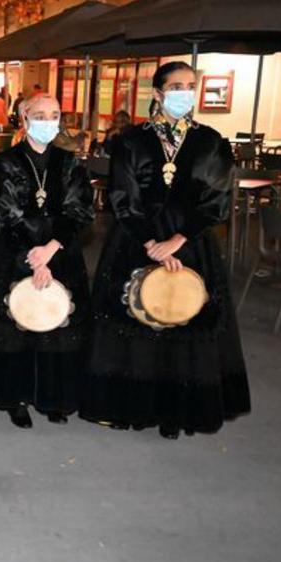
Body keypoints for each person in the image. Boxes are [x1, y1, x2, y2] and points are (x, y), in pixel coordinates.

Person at [81, 61, 249, 439]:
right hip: (137, 240)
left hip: (189, 244)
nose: (184, 93)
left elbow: (216, 200)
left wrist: (177, 240)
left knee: (182, 324)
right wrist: (150, 242)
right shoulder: (131, 140)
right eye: (176, 86)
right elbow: (122, 197)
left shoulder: (211, 142)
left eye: (190, 86)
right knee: (137, 326)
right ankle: (134, 405)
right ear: (158, 94)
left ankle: (175, 411)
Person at [0, 94, 94, 427]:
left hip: (60, 254)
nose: (48, 121)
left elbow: (79, 210)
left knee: (58, 327)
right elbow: (6, 215)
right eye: (40, 115)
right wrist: (35, 256)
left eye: (54, 115)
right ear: (23, 117)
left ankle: (53, 398)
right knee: (16, 327)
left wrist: (51, 248)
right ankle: (14, 397)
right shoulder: (6, 162)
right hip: (16, 253)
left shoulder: (70, 162)